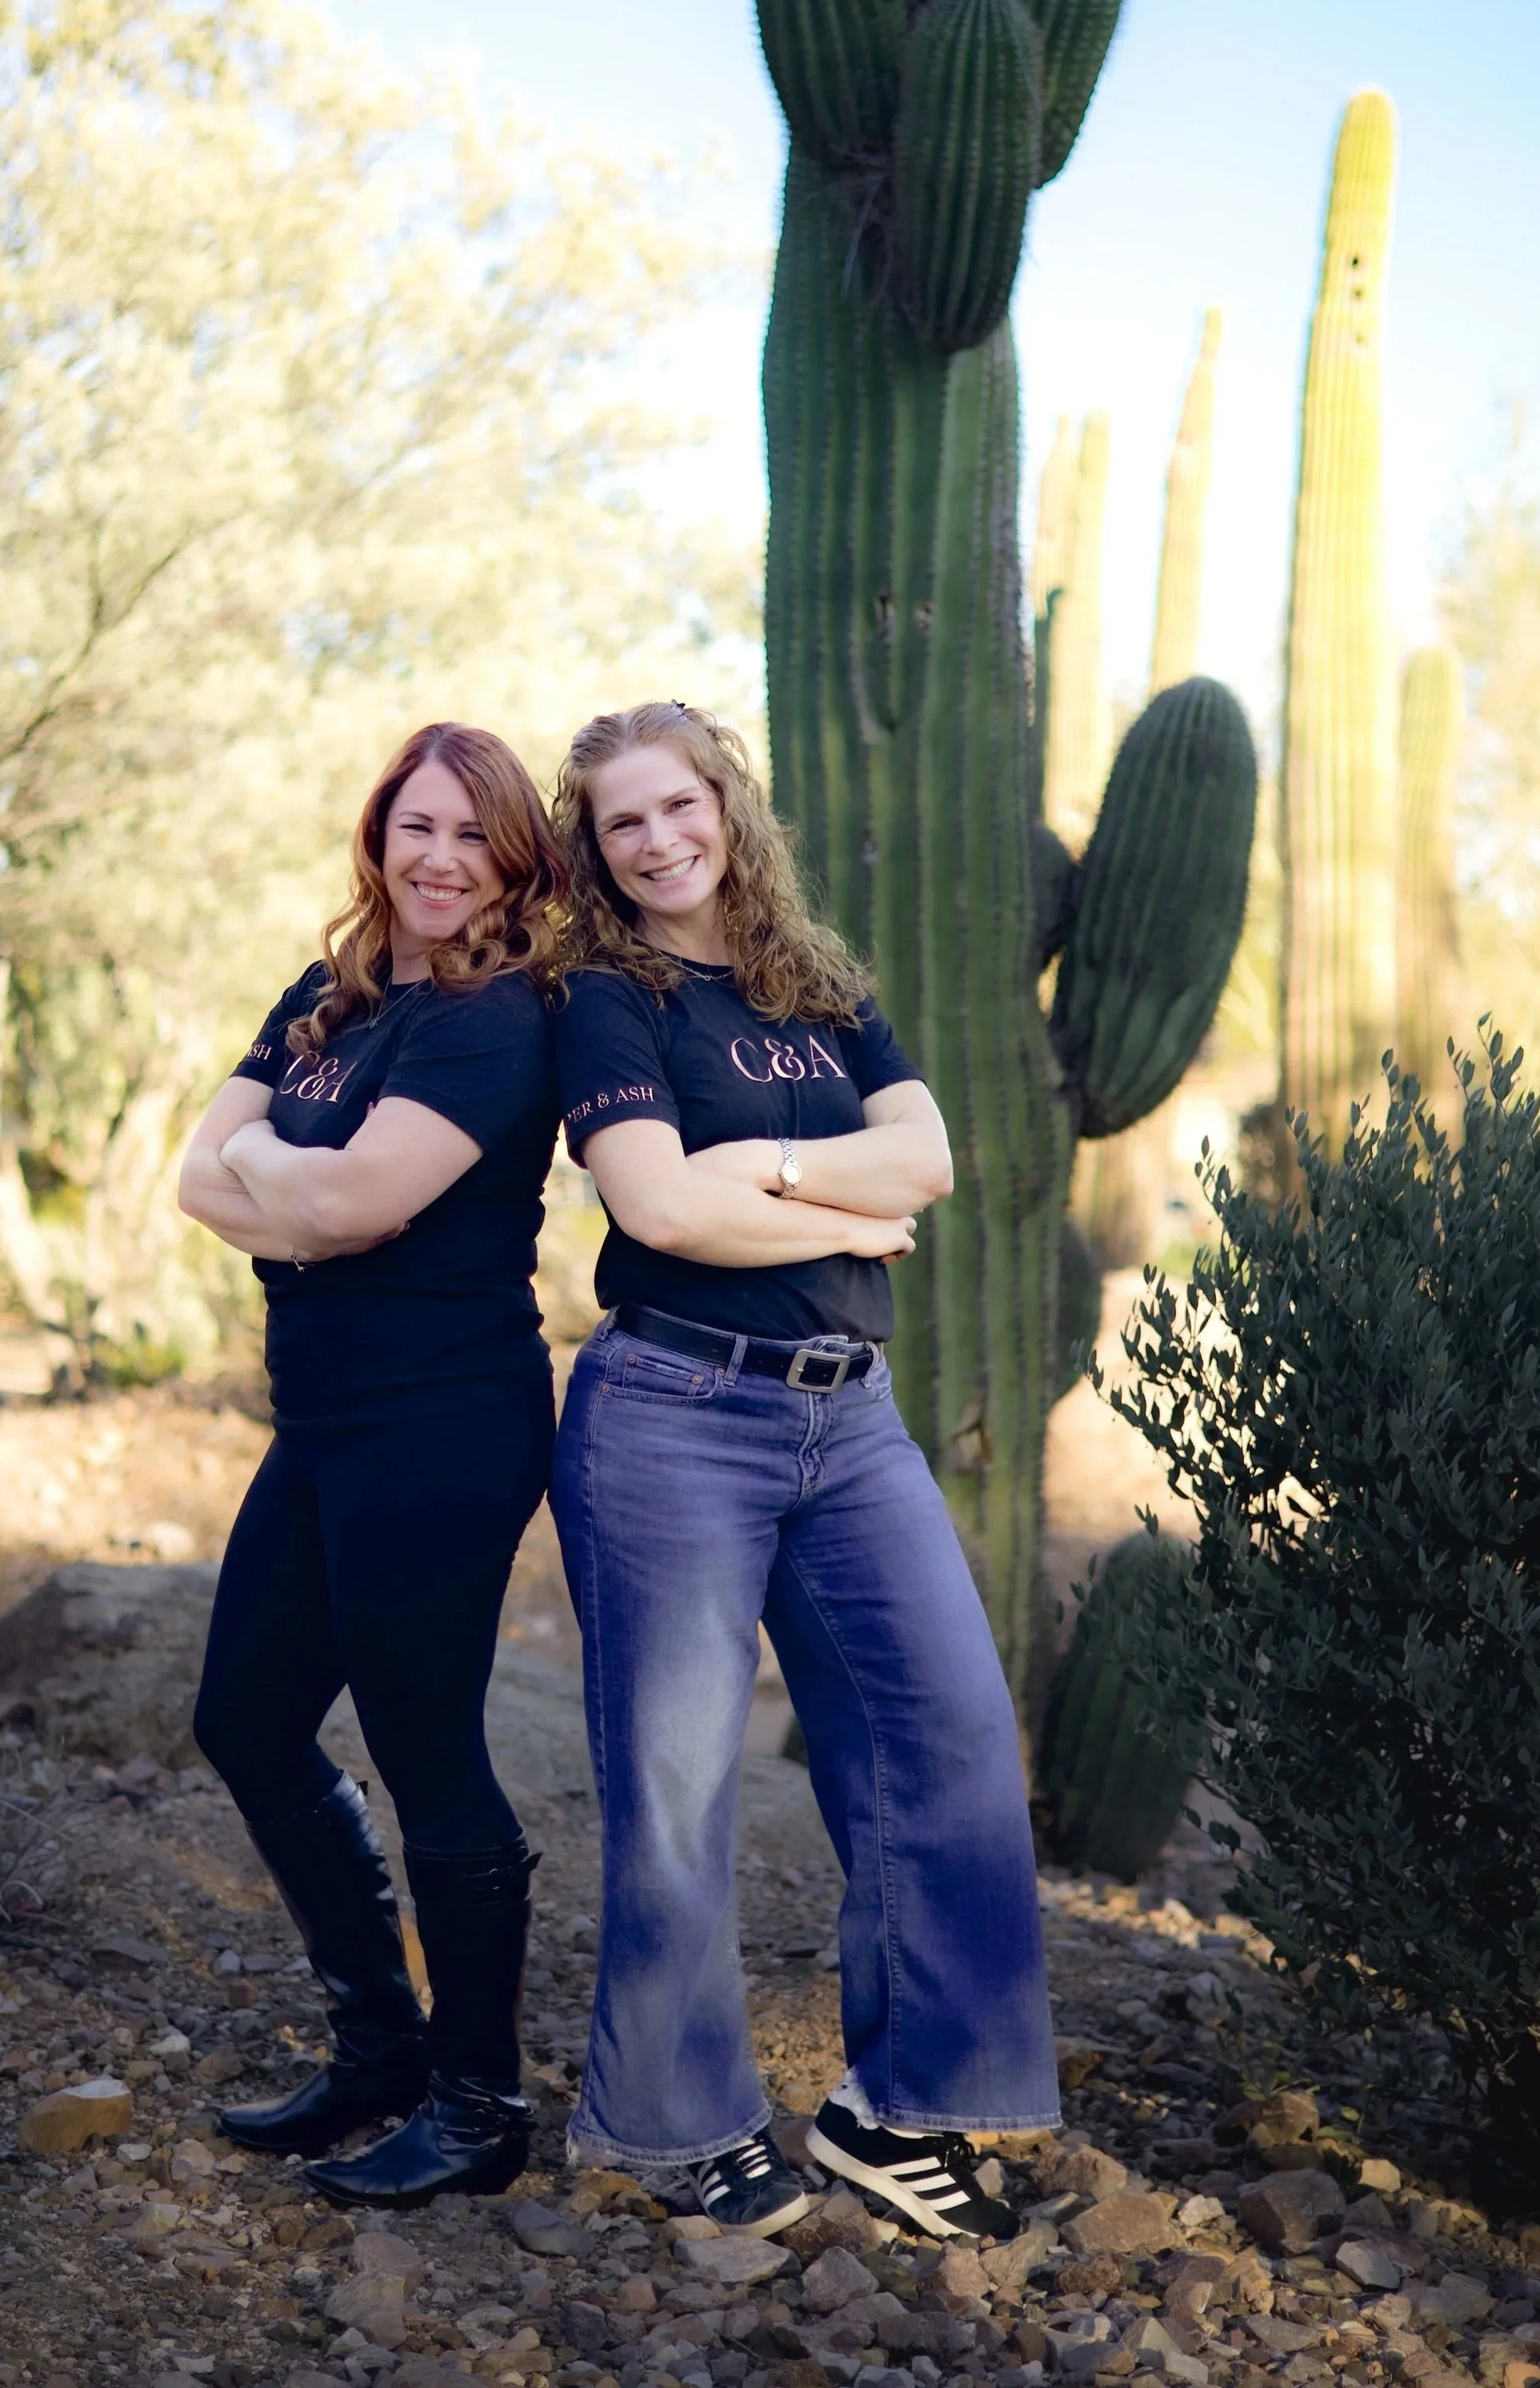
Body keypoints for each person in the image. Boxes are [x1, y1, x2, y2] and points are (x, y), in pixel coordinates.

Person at [545, 700, 1059, 2239]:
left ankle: (892, 2108)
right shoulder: (602, 993)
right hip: (671, 1416)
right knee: (679, 1784)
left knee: (948, 1735)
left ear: (725, 805)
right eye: (619, 823)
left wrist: (758, 1170)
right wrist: (841, 1211)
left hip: (851, 1423)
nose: (654, 840)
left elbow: (932, 1159)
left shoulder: (817, 987)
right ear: (593, 848)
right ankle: (682, 2124)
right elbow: (655, 1214)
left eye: (675, 805)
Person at [177, 721, 563, 2207]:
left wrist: (283, 1179)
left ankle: (479, 2107)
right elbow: (198, 1175)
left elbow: (341, 1203)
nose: (440, 860)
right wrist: (298, 1184)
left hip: (444, 1423)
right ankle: (382, 2048)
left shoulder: (498, 1016)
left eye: (474, 835)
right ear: (377, 835)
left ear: (515, 857)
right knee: (248, 1721)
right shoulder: (328, 993)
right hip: (324, 1419)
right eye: (417, 827)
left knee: (426, 1749)